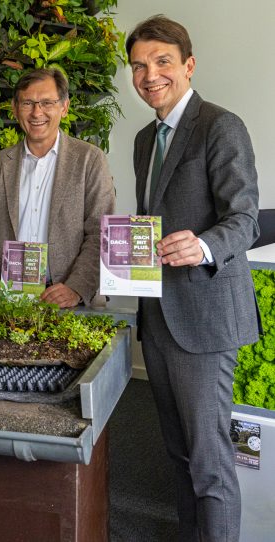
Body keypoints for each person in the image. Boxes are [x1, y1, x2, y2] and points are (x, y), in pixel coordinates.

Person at [127, 15, 260, 541]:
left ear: (188, 65)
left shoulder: (220, 126)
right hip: (158, 315)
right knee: (178, 454)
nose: (149, 74)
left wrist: (202, 245)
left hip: (204, 320)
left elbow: (243, 218)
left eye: (161, 61)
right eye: (139, 65)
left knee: (209, 462)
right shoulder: (145, 138)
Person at [0, 68, 115, 307]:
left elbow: (100, 233)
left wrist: (76, 288)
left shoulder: (89, 159)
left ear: (64, 107)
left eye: (47, 102)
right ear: (14, 109)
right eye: (28, 103)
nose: (37, 112)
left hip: (70, 301)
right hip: (7, 299)